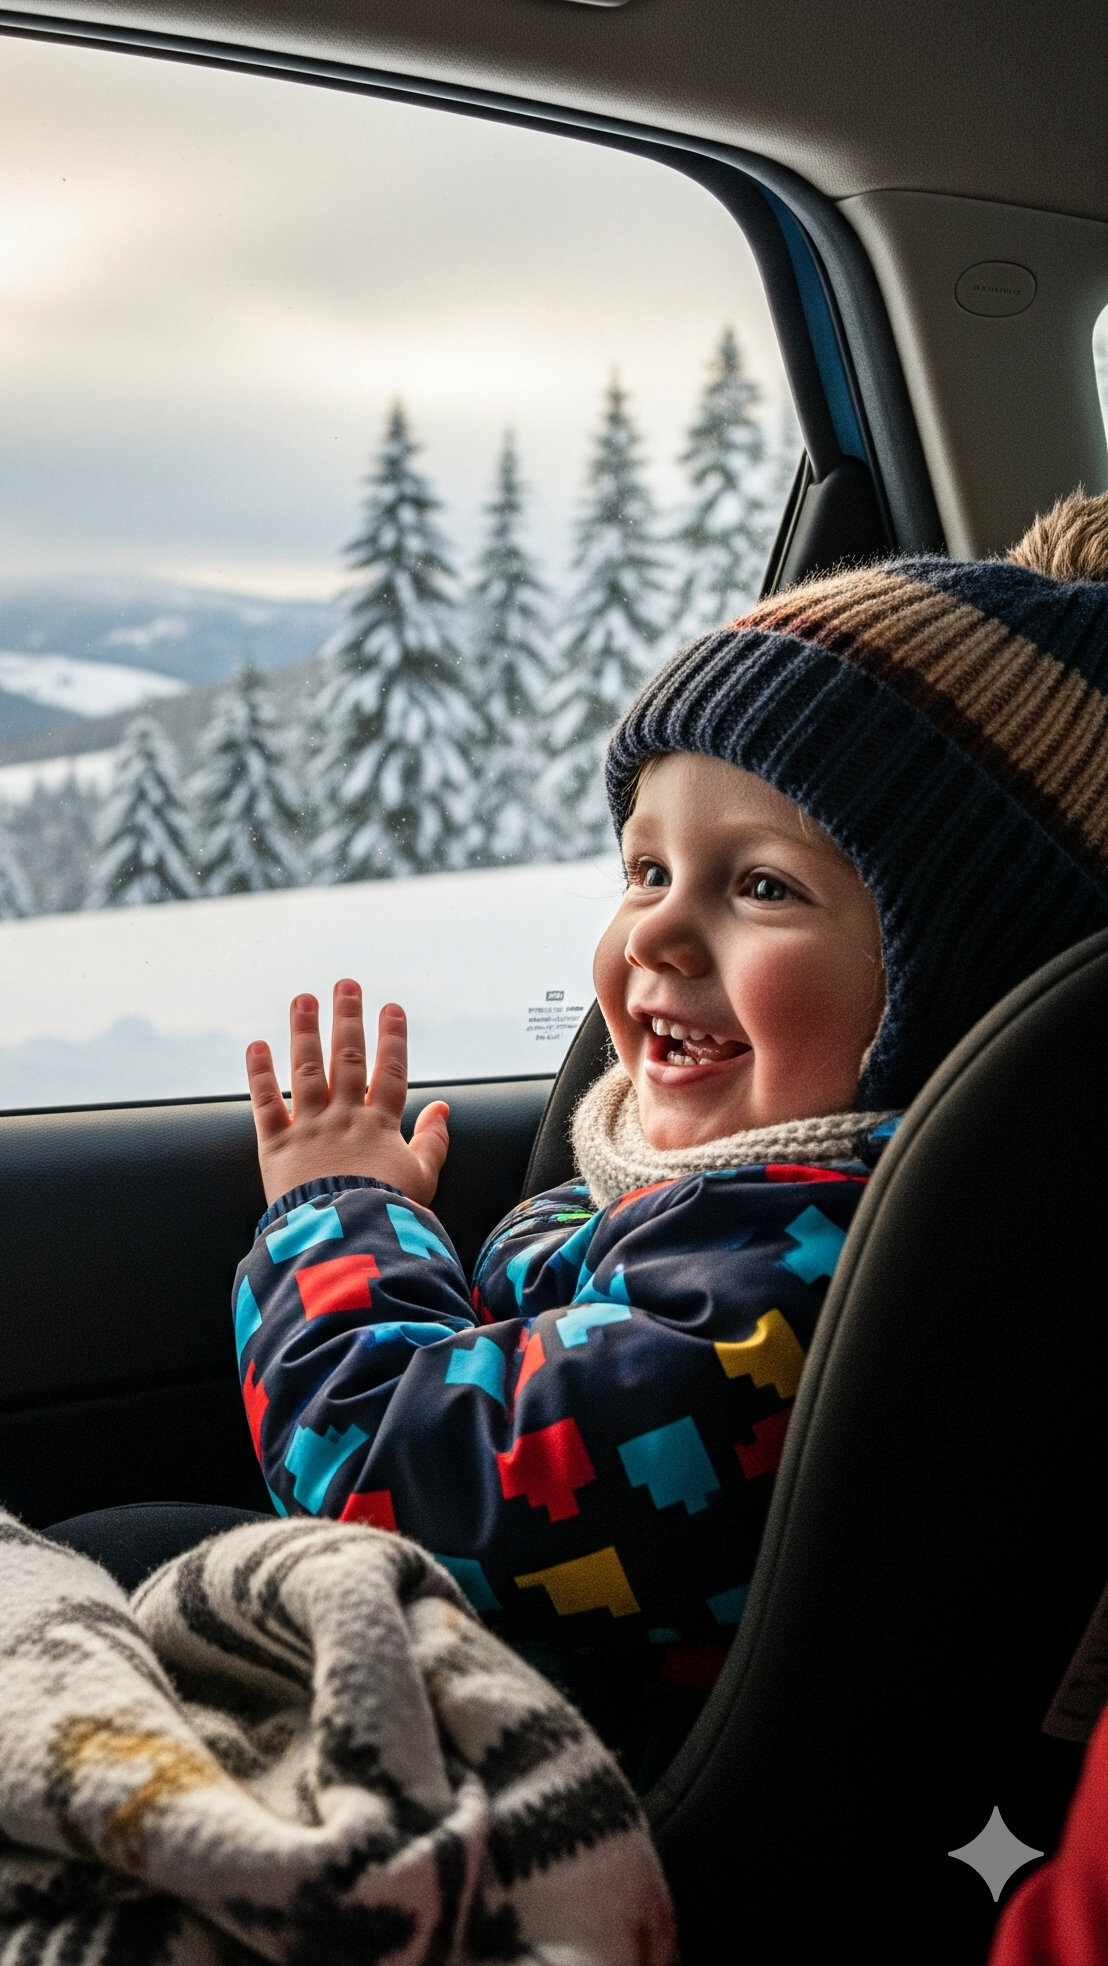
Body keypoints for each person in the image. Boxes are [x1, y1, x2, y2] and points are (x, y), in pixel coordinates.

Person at [233, 492, 1108, 1730]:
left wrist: (338, 1218)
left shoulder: (806, 1285)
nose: (653, 930)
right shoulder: (753, 1211)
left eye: (761, 886)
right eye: (645, 869)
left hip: (588, 1777)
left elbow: (393, 1482)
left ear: (958, 978)